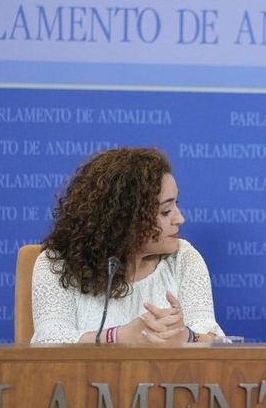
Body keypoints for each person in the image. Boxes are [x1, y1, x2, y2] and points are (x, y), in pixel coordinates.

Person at [31, 147, 224, 344]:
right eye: (165, 211)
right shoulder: (58, 263)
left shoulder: (183, 258)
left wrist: (187, 336)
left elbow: (217, 343)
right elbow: (47, 341)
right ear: (124, 219)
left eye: (176, 204)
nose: (180, 218)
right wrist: (118, 337)